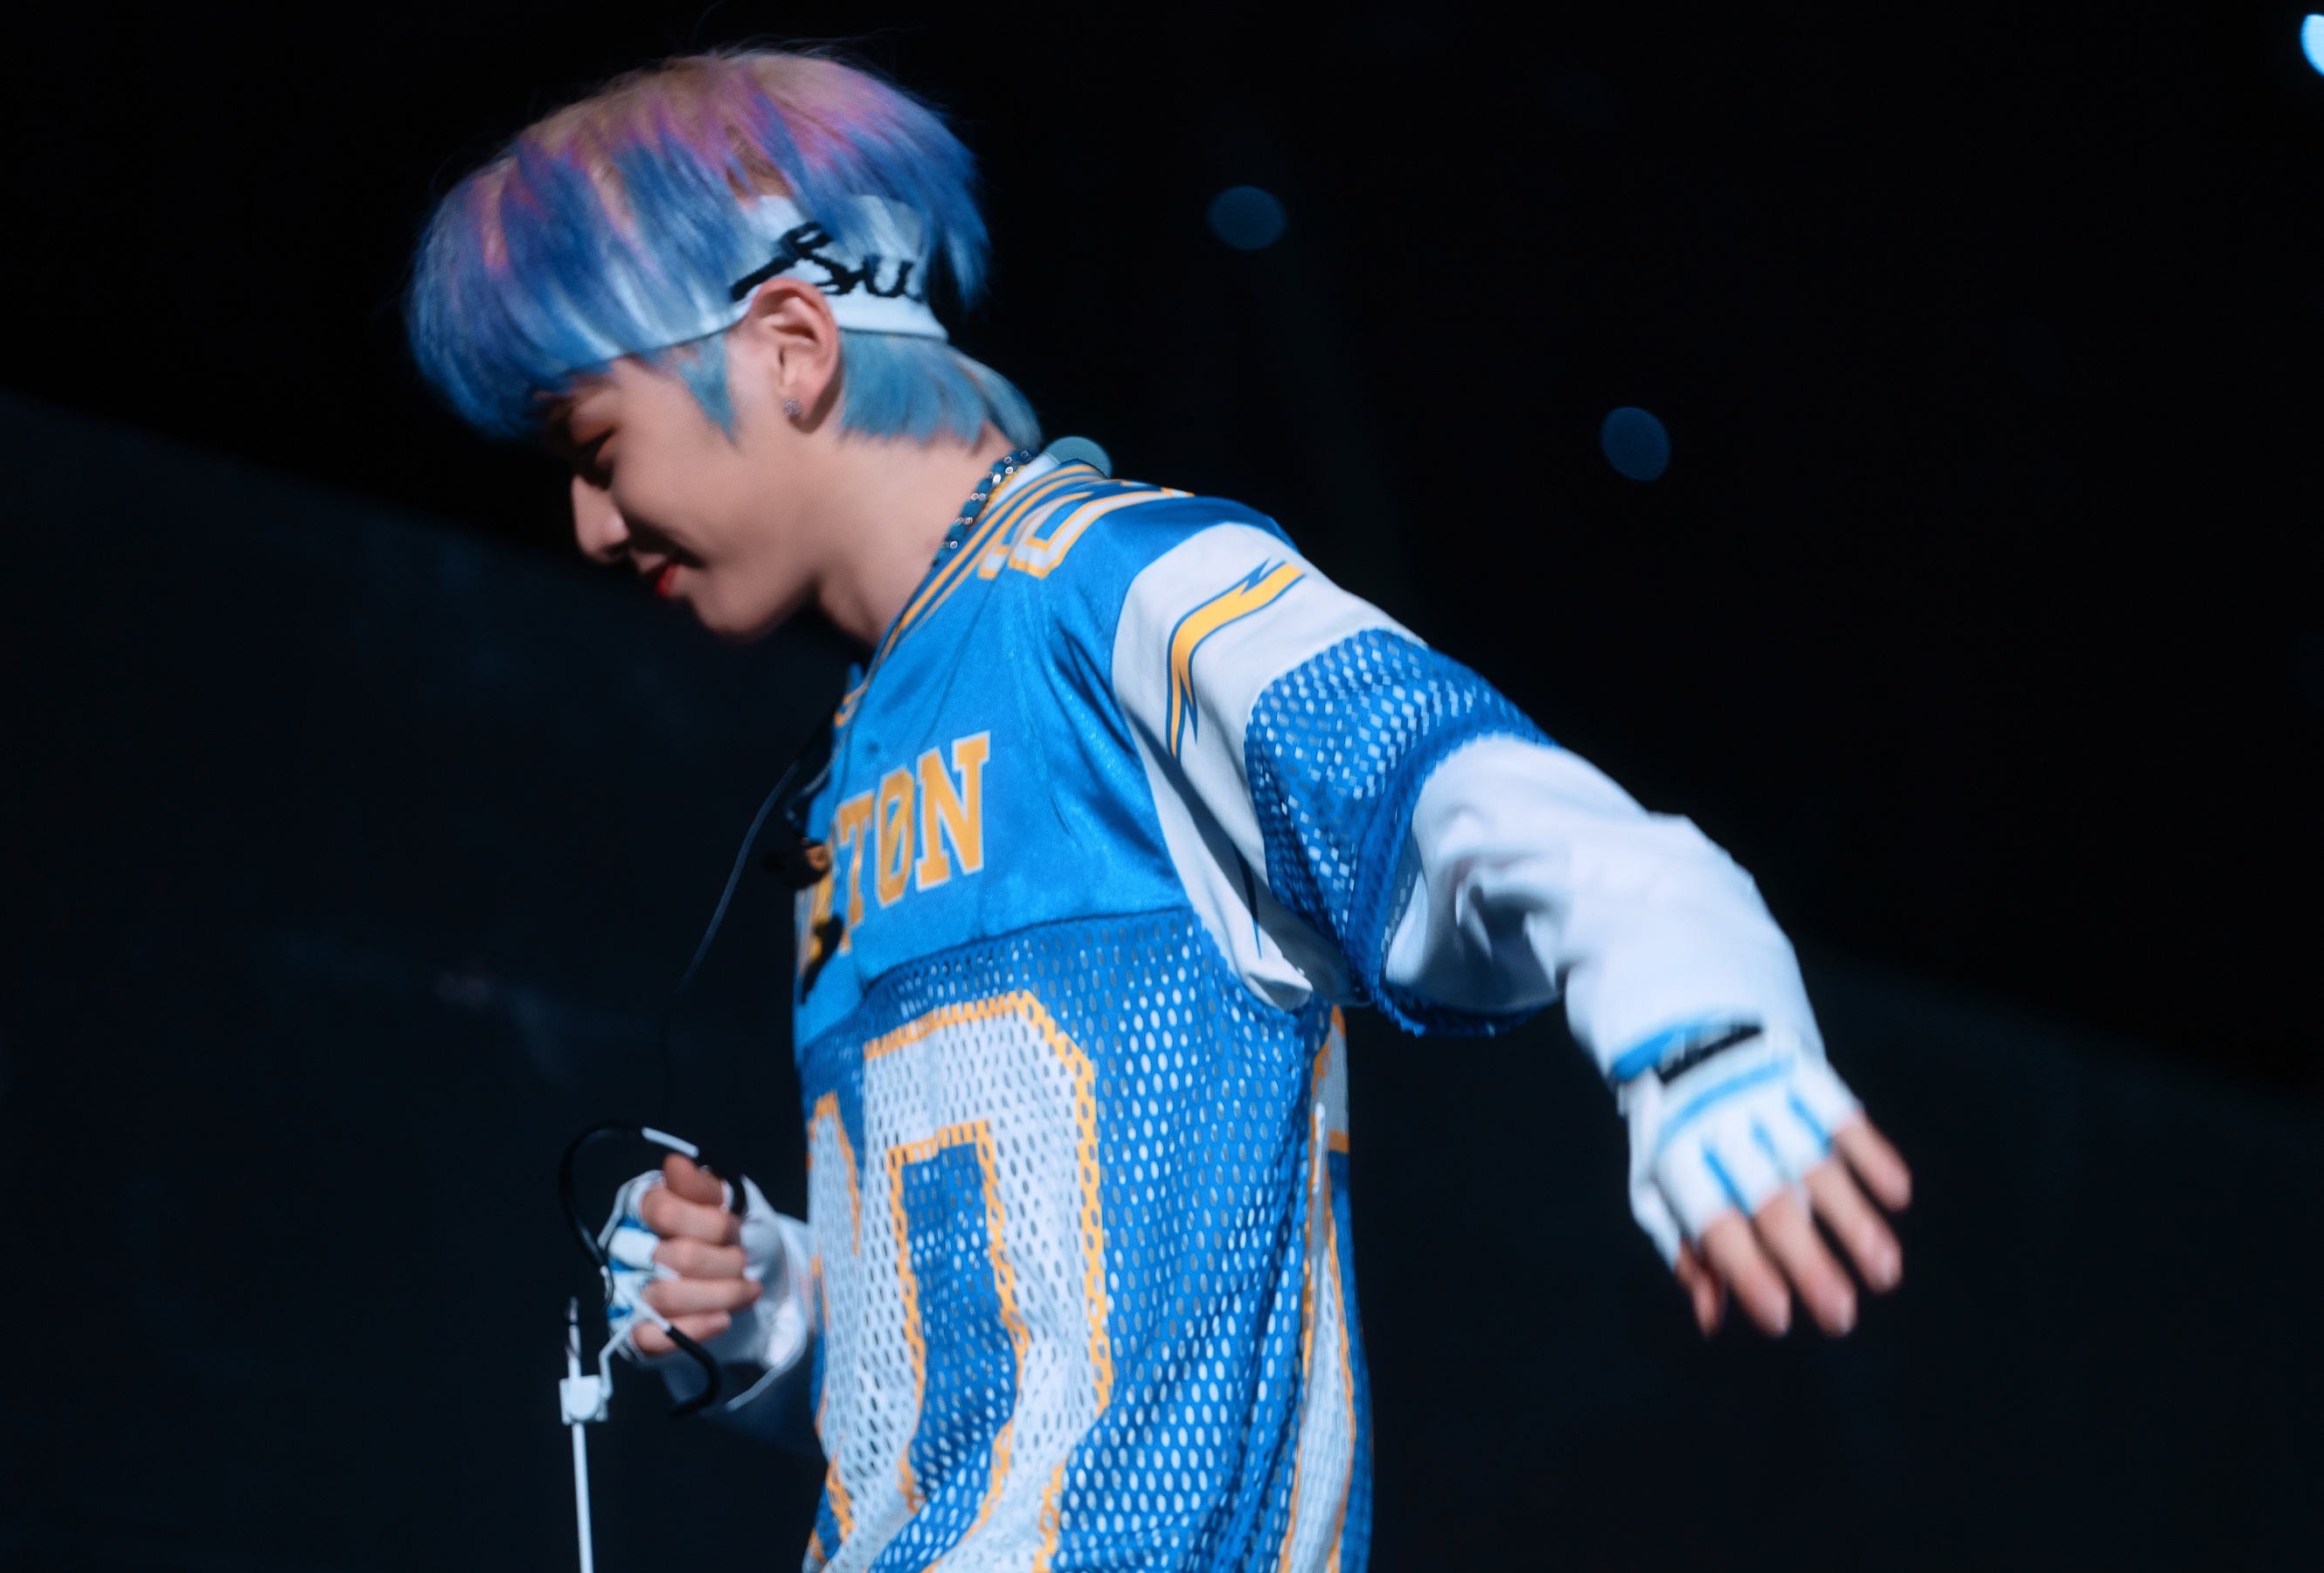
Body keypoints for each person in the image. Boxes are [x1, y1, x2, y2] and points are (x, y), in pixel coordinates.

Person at [407, 46, 1911, 1573]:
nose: (590, 524)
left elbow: (1487, 805)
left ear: (792, 346)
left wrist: (1699, 1028)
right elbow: (1016, 1347)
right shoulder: (855, 756)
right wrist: (776, 1306)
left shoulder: (1120, 589)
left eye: (596, 448)